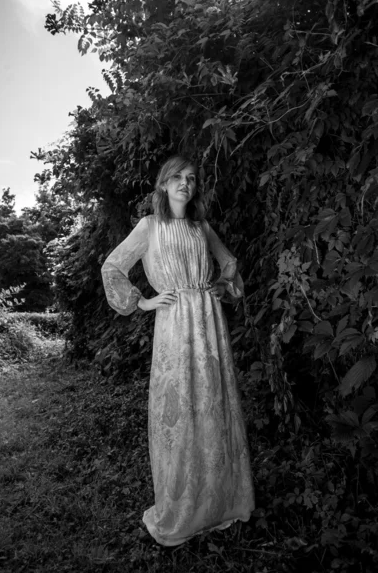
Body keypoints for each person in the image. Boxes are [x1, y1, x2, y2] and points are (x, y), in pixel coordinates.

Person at [101, 155, 255, 546]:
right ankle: (182, 507)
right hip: (173, 324)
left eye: (191, 178)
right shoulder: (149, 226)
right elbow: (113, 267)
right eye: (177, 178)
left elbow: (230, 264)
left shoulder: (201, 227)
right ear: (164, 185)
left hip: (208, 321)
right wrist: (143, 302)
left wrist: (222, 286)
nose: (185, 183)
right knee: (180, 410)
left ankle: (220, 502)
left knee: (212, 404)